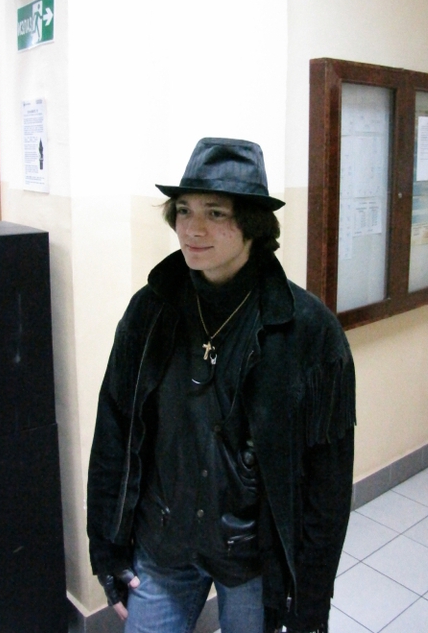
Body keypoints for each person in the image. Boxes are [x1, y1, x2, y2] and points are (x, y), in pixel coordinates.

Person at [87, 138, 356, 633]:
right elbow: (114, 430)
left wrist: (311, 600)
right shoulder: (151, 311)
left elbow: (328, 484)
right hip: (163, 542)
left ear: (252, 223)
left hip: (252, 558)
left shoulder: (307, 331)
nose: (192, 228)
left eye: (215, 212)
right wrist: (105, 545)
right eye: (184, 210)